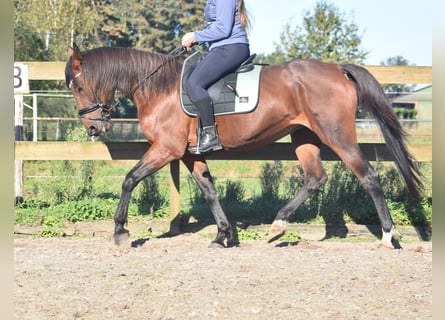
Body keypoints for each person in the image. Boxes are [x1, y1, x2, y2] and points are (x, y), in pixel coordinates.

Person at [181, 0, 251, 153]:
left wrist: (195, 36)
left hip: (229, 47)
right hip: (222, 47)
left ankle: (210, 135)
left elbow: (223, 29)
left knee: (194, 83)